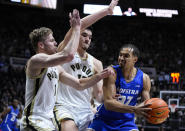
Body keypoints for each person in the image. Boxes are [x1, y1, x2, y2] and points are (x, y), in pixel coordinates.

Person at [20, 9, 113, 131]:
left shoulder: (56, 68)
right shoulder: (35, 60)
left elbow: (79, 84)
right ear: (41, 45)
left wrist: (100, 75)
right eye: (52, 40)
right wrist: (76, 29)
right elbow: (68, 55)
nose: (56, 43)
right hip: (34, 120)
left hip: (48, 122)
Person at [54, 0, 119, 131]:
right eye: (84, 35)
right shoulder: (65, 52)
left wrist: (109, 96)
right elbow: (79, 25)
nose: (87, 39)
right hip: (65, 107)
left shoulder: (96, 63)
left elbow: (98, 95)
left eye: (90, 37)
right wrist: (107, 11)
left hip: (86, 109)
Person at [88, 44, 152, 131]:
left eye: (126, 56)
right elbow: (108, 104)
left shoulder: (144, 78)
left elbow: (147, 104)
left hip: (126, 122)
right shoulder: (111, 73)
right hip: (104, 120)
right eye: (120, 55)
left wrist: (159, 111)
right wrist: (134, 109)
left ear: (135, 59)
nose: (121, 58)